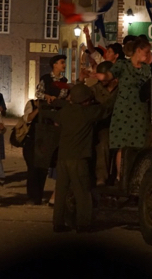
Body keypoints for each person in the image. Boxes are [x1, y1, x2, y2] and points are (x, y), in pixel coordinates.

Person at [41, 84, 115, 233]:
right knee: (82, 192)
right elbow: (106, 109)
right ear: (86, 100)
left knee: (61, 192)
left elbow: (54, 116)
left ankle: (58, 223)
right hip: (78, 158)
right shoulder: (87, 112)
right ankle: (83, 224)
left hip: (62, 158)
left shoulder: (65, 112)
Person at [96, 37, 152, 182]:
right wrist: (104, 76)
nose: (148, 55)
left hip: (140, 109)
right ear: (138, 51)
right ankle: (121, 177)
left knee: (139, 145)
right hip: (124, 109)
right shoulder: (123, 64)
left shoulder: (146, 68)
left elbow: (150, 86)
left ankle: (136, 177)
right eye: (146, 52)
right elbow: (111, 74)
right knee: (122, 145)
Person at [35, 54, 70, 207]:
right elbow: (38, 93)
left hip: (59, 118)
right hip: (46, 119)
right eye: (62, 62)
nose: (64, 65)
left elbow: (64, 96)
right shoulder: (46, 79)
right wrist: (47, 96)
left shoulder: (64, 81)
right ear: (54, 64)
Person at [91, 61, 118, 186]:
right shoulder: (95, 89)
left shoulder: (121, 89)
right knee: (103, 143)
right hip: (103, 124)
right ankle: (101, 177)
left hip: (120, 124)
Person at [20, 99, 47, 205]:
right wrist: (38, 109)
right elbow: (27, 119)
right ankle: (32, 196)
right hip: (31, 141)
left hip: (45, 141)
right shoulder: (32, 104)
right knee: (32, 169)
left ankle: (38, 196)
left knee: (43, 170)